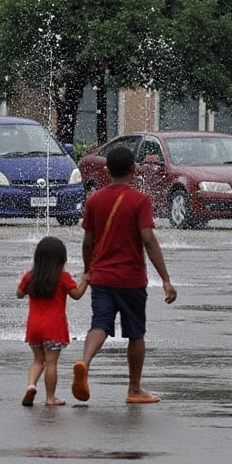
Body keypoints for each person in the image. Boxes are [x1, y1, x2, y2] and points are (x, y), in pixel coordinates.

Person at [73, 146, 177, 404]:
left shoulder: (94, 200)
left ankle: (84, 362)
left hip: (102, 278)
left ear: (107, 170)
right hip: (131, 279)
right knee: (136, 333)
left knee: (100, 324)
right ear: (134, 169)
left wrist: (88, 270)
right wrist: (165, 278)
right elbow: (149, 241)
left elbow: (88, 241)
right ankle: (134, 389)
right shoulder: (139, 201)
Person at [17, 236, 90, 407]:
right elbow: (77, 295)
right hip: (53, 328)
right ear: (61, 258)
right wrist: (85, 281)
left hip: (34, 327)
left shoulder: (30, 276)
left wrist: (27, 288)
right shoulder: (62, 277)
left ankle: (31, 385)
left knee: (37, 360)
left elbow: (19, 294)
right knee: (51, 363)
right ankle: (50, 398)